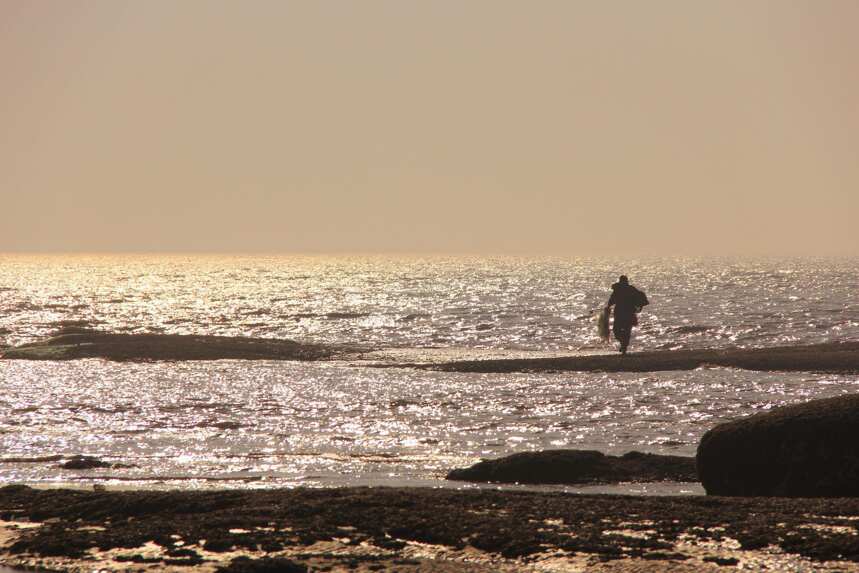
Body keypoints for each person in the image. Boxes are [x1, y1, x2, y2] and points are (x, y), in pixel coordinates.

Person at [605, 275, 648, 354]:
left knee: (619, 330)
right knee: (623, 330)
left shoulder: (621, 289)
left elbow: (612, 300)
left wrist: (608, 306)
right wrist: (640, 307)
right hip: (626, 313)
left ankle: (623, 345)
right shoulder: (626, 289)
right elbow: (612, 299)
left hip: (623, 313)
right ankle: (623, 344)